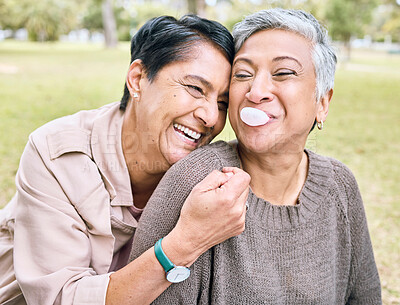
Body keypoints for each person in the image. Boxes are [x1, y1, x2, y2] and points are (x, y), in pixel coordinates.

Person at [129, 8, 382, 304]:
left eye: (283, 73)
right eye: (243, 75)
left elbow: (364, 296)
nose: (256, 91)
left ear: (322, 102)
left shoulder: (340, 185)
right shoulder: (194, 180)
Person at [0, 15, 251, 305]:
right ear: (137, 79)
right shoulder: (57, 155)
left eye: (222, 103)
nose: (210, 117)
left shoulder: (209, 174)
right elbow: (60, 299)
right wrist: (187, 241)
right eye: (195, 89)